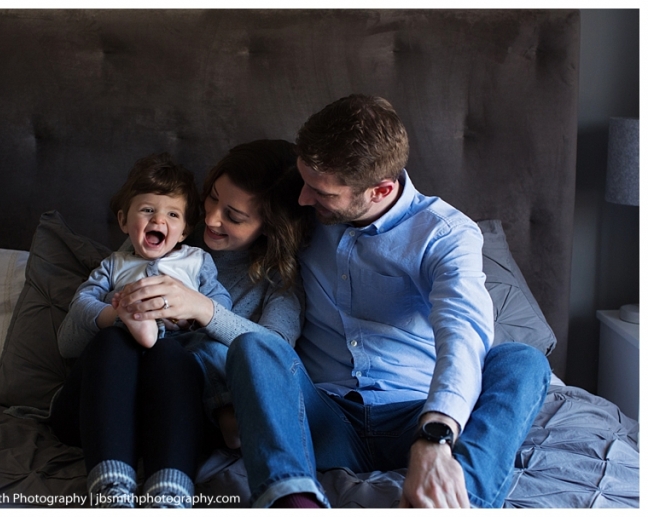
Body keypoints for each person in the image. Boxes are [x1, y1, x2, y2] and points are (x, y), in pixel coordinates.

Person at [224, 94, 552, 508]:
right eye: (304, 181)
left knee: (524, 361)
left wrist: (435, 436)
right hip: (325, 417)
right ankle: (295, 503)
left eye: (322, 193)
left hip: (413, 416)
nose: (304, 199)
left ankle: (454, 500)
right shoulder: (297, 206)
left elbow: (462, 331)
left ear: (380, 189)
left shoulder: (445, 235)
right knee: (254, 346)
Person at [48, 140, 311, 508]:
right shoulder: (141, 249)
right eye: (212, 198)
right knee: (115, 341)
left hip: (184, 419)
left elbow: (277, 356)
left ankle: (169, 496)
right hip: (100, 407)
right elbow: (69, 342)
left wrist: (202, 311)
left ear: (270, 226)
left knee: (171, 356)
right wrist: (116, 312)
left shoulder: (276, 283)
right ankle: (109, 495)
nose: (213, 219)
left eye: (234, 216)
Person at [57, 152, 232, 352]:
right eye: (148, 210)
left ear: (184, 230)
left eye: (173, 214)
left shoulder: (196, 260)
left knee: (172, 354)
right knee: (111, 344)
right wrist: (119, 315)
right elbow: (81, 302)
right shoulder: (115, 263)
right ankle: (138, 325)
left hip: (179, 345)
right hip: (123, 342)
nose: (158, 219)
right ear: (123, 221)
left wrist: (194, 314)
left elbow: (220, 304)